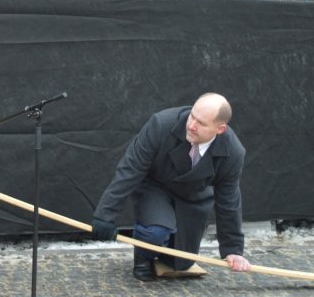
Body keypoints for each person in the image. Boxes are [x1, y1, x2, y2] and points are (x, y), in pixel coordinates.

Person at [91, 93, 251, 281]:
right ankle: (144, 256)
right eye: (192, 116)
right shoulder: (161, 124)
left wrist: (232, 249)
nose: (191, 125)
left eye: (201, 123)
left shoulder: (233, 152)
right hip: (156, 187)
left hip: (193, 197)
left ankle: (166, 248)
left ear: (220, 129)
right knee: (155, 233)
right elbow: (130, 169)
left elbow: (229, 200)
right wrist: (104, 216)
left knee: (181, 263)